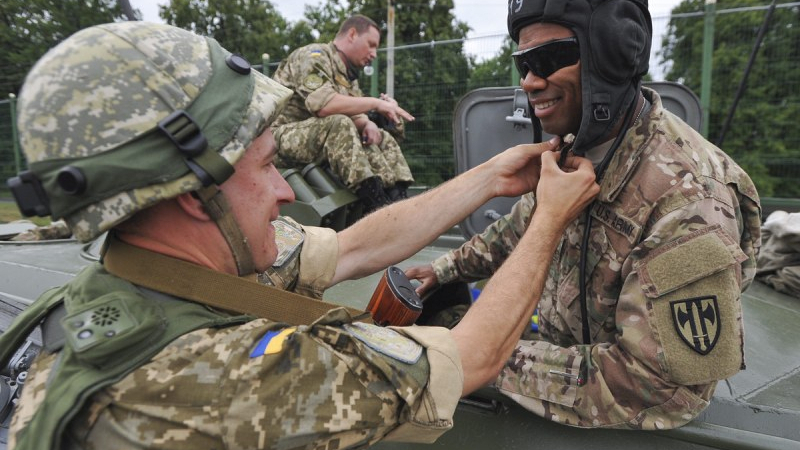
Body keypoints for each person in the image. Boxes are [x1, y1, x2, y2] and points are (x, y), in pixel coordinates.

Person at [1, 22, 599, 449]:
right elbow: (468, 360)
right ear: (190, 193)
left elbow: (354, 248)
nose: (287, 192)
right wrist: (549, 219)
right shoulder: (214, 383)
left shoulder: (138, 280)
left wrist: (492, 177)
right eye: (264, 167)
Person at [405, 0, 763, 430]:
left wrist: (472, 354)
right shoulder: (581, 145)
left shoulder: (690, 197)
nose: (530, 82)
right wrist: (443, 271)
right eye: (523, 63)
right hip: (564, 362)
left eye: (550, 59)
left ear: (613, 55)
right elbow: (519, 228)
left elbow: (660, 388)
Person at [271, 14, 414, 212]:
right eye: (371, 45)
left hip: (316, 138)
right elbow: (324, 106)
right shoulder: (313, 56)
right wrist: (375, 104)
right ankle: (375, 204)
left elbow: (355, 114)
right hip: (278, 140)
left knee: (378, 137)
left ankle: (397, 198)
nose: (374, 54)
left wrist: (369, 124)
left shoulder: (348, 77)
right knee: (339, 123)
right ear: (352, 34)